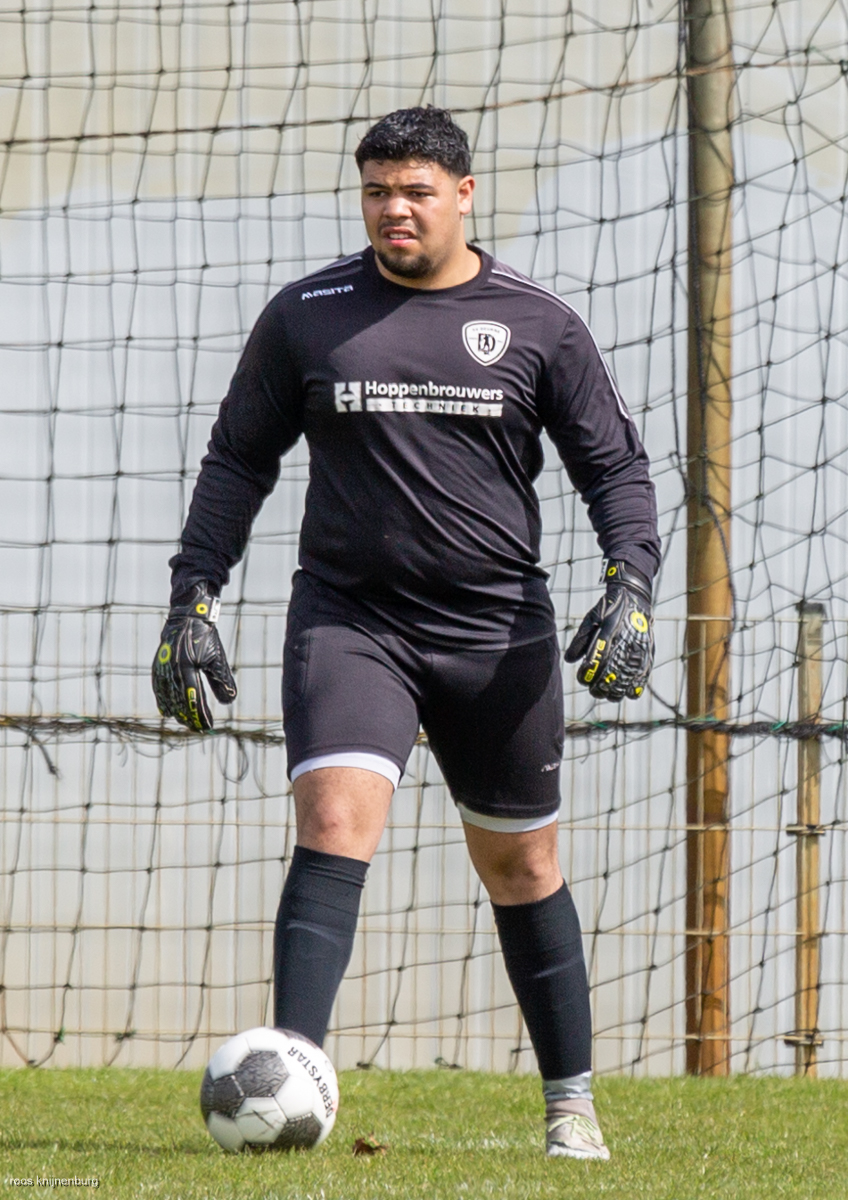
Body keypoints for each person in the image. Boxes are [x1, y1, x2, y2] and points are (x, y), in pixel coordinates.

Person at [152, 106, 660, 1161]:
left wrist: (631, 584)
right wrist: (193, 594)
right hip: (351, 623)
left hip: (495, 632)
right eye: (377, 190)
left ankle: (570, 1104)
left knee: (521, 866)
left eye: (416, 192)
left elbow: (613, 467)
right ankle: (290, 1089)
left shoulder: (538, 323)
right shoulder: (307, 315)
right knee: (333, 822)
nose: (395, 209)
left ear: (463, 195)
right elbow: (237, 459)